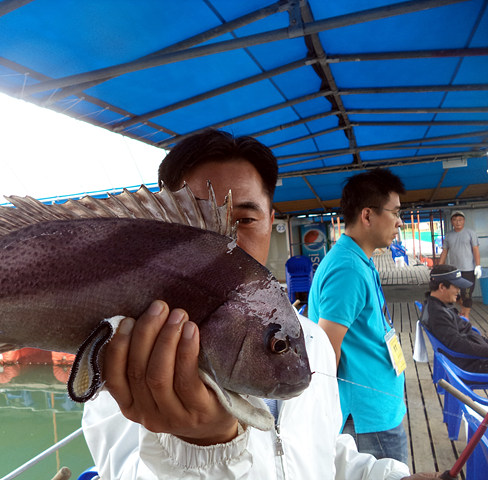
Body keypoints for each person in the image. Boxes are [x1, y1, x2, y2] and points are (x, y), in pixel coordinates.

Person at [82, 130, 437, 479]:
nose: (223, 244)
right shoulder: (127, 353)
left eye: (244, 220)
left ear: (270, 220)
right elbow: (123, 470)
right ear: (166, 233)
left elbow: (323, 451)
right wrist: (202, 446)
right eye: (197, 227)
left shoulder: (311, 341)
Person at [307, 169, 408, 463]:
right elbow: (327, 349)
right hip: (367, 417)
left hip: (378, 407)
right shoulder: (348, 269)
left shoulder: (359, 260)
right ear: (367, 215)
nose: (400, 222)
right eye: (395, 212)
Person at [420, 264, 488, 372]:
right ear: (442, 287)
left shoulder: (436, 305)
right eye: (456, 286)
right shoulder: (438, 314)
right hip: (469, 364)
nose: (458, 291)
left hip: (473, 357)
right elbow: (458, 344)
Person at [439, 211, 481, 318]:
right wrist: (439, 267)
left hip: (468, 269)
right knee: (454, 295)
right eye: (455, 220)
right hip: (454, 270)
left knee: (466, 294)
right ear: (451, 221)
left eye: (460, 220)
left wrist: (478, 265)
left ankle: (466, 316)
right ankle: (463, 310)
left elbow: (475, 249)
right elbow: (444, 252)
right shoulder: (448, 235)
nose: (458, 222)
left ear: (464, 221)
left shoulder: (471, 233)